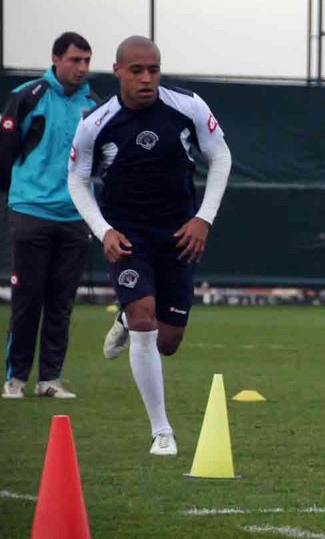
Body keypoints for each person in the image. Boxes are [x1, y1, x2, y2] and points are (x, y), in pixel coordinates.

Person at [67, 36, 232, 456]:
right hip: (128, 237)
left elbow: (221, 157)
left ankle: (125, 318)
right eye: (137, 70)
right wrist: (104, 231)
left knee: (168, 341)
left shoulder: (188, 106)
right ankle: (162, 431)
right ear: (117, 71)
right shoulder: (95, 123)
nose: (146, 78)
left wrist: (203, 219)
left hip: (178, 235)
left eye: (153, 70)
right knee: (145, 320)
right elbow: (77, 180)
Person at [1, 32, 99, 400]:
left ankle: (50, 380)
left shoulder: (94, 105)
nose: (82, 68)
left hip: (75, 216)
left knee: (61, 302)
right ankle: (15, 379)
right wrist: (19, 194)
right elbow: (5, 153)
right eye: (75, 60)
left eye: (87, 60)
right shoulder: (28, 96)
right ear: (56, 59)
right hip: (31, 211)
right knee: (28, 300)